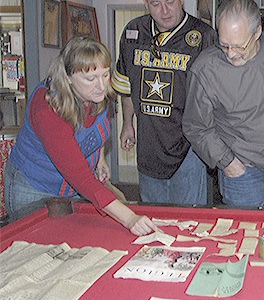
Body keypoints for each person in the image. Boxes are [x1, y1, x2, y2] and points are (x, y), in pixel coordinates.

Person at [3, 36, 159, 236]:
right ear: (67, 77)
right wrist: (130, 219)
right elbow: (80, 176)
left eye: (105, 75)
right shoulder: (48, 108)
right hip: (34, 187)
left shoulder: (98, 94)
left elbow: (98, 129)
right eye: (91, 78)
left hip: (73, 187)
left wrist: (99, 158)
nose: (101, 86)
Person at [183, 0, 264, 208]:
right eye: (224, 45)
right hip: (243, 176)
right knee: (244, 238)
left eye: (239, 46)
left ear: (257, 32)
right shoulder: (205, 69)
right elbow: (196, 127)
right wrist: (228, 162)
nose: (231, 54)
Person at [111, 0, 215, 205]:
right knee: (152, 218)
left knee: (189, 222)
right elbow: (125, 85)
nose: (164, 11)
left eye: (170, 2)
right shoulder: (133, 32)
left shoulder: (203, 36)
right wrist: (127, 124)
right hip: (149, 147)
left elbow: (217, 96)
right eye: (156, 4)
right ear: (146, 3)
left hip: (189, 147)